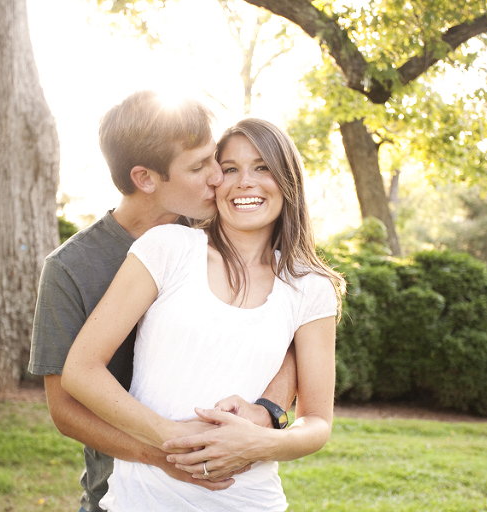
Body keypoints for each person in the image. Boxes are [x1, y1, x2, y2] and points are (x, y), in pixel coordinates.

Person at [28, 91, 299, 512]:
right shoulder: (71, 268)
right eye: (198, 166)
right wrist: (170, 454)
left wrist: (267, 412)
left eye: (214, 159)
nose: (217, 176)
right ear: (146, 178)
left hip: (229, 494)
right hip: (122, 492)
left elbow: (292, 337)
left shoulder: (226, 232)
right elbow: (65, 410)